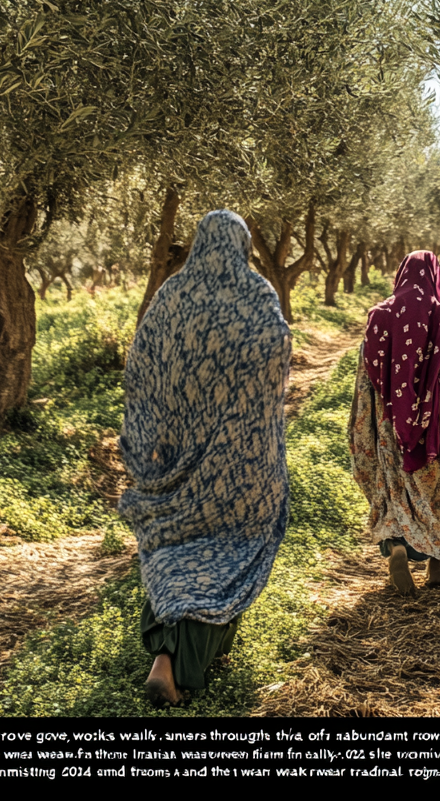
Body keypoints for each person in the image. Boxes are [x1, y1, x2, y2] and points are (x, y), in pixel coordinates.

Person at [118, 210, 292, 707]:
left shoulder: (172, 295)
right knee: (235, 548)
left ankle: (167, 656)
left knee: (175, 547)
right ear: (241, 246)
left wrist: (149, 439)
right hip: (242, 463)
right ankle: (196, 656)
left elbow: (143, 363)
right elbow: (279, 348)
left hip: (179, 455)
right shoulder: (257, 294)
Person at [349, 251, 440, 595]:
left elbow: (366, 377)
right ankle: (436, 561)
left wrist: (364, 422)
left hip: (389, 422)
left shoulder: (379, 316)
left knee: (396, 485)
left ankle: (398, 546)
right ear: (433, 276)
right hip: (439, 424)